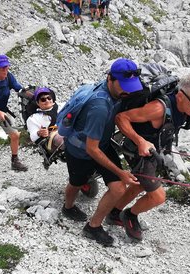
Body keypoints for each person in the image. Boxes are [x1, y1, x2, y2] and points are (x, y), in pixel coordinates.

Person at [110, 72, 190, 241]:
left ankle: (114, 213)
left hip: (156, 150)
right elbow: (121, 118)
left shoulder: (185, 107)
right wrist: (140, 141)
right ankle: (130, 215)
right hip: (139, 152)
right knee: (158, 197)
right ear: (180, 96)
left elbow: (177, 120)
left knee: (140, 185)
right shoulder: (157, 109)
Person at [61, 58, 142, 246]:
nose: (127, 90)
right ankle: (68, 207)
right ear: (109, 79)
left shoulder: (115, 92)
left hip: (101, 144)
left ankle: (93, 226)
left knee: (119, 187)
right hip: (81, 150)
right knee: (76, 183)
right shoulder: (99, 106)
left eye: (130, 86)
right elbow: (91, 149)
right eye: (124, 85)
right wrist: (121, 172)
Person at [26, 87, 63, 152]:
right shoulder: (33, 118)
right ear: (37, 103)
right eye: (43, 99)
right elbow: (33, 137)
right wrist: (39, 133)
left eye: (49, 98)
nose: (47, 100)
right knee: (61, 139)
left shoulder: (62, 106)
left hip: (67, 131)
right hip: (51, 140)